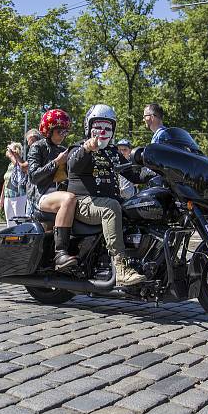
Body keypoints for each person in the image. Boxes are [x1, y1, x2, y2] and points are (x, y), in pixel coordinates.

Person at [67, 104, 146, 287]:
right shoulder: (78, 147)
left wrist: (158, 170)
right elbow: (73, 165)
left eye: (107, 127)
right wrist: (87, 149)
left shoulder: (112, 152)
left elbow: (133, 173)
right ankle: (121, 269)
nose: (103, 131)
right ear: (89, 127)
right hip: (83, 202)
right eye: (98, 126)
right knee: (111, 208)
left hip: (107, 202)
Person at [27, 108, 78, 270]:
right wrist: (56, 162)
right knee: (69, 199)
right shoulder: (37, 147)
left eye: (65, 131)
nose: (63, 134)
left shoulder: (64, 150)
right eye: (60, 131)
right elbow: (34, 176)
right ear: (48, 130)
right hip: (41, 196)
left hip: (58, 196)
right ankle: (60, 253)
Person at [0, 142, 27, 226]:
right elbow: (6, 182)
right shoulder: (10, 165)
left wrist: (11, 155)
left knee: (19, 222)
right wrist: (2, 197)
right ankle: (11, 238)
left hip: (19, 196)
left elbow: (19, 168)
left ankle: (21, 238)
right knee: (10, 223)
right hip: (8, 196)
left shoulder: (21, 163)